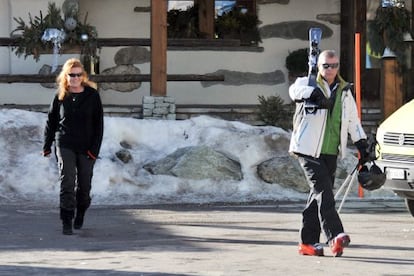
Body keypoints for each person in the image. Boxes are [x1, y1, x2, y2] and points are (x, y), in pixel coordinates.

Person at [289, 50, 369, 257]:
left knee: (317, 196)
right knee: (324, 193)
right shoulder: (307, 82)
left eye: (334, 66)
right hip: (307, 149)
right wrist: (311, 94)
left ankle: (307, 243)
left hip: (330, 150)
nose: (330, 70)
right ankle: (336, 235)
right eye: (326, 66)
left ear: (338, 67)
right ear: (319, 66)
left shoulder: (344, 90)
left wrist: (361, 144)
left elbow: (352, 121)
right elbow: (293, 92)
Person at [43, 58, 104, 235]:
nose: (75, 78)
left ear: (83, 76)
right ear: (66, 76)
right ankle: (66, 219)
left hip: (86, 147)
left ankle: (81, 212)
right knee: (67, 181)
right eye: (71, 75)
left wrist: (94, 150)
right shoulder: (61, 96)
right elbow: (51, 121)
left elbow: (98, 125)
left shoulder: (92, 95)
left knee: (84, 186)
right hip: (65, 143)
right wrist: (47, 145)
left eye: (78, 75)